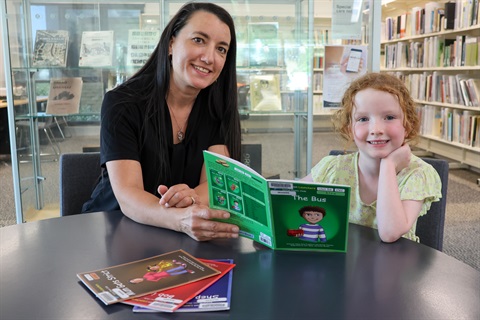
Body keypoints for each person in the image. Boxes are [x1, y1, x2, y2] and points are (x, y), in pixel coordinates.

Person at [82, 2, 241, 241]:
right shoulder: (121, 103)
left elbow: (217, 182)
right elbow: (128, 195)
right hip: (117, 231)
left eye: (221, 49)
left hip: (183, 234)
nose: (209, 57)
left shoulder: (215, 108)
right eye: (199, 40)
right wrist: (181, 219)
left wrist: (191, 199)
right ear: (171, 43)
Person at [303, 73, 442, 243]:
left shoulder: (418, 174)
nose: (376, 129)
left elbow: (390, 233)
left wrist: (389, 166)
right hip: (344, 263)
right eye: (363, 119)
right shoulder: (333, 168)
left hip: (395, 264)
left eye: (389, 117)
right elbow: (284, 197)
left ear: (408, 125)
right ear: (349, 130)